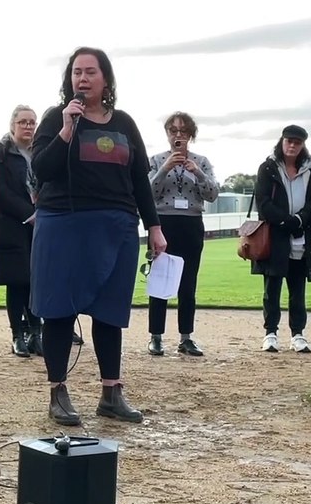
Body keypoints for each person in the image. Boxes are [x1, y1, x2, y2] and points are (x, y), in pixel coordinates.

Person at [31, 46, 167, 426]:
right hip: (63, 225)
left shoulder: (124, 124)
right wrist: (65, 130)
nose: (83, 79)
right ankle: (58, 391)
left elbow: (139, 178)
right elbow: (43, 169)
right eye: (77, 72)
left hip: (116, 228)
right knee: (58, 309)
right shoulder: (55, 118)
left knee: (110, 312)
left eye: (91, 72)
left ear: (105, 79)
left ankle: (112, 393)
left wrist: (153, 227)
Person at [146, 111, 219, 357]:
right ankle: (156, 336)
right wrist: (165, 168)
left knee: (188, 283)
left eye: (184, 131)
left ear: (191, 135)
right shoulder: (156, 160)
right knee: (160, 281)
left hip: (191, 223)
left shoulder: (202, 161)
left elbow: (212, 194)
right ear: (167, 134)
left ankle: (186, 337)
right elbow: (147, 192)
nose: (178, 135)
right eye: (173, 131)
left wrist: (197, 172)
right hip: (163, 224)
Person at [251, 125, 311, 354]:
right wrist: (285, 221)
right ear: (282, 142)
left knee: (298, 289)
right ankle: (270, 333)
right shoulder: (268, 168)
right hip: (275, 236)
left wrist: (299, 220)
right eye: (289, 141)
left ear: (302, 145)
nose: (292, 145)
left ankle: (298, 334)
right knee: (272, 287)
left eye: (297, 142)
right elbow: (263, 203)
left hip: (302, 237)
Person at [0, 105, 41, 357]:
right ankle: (17, 334)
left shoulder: (41, 152)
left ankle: (35, 333)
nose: (28, 126)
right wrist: (28, 214)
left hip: (41, 225)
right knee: (17, 281)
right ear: (12, 125)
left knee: (36, 280)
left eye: (32, 122)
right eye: (23, 122)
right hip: (12, 225)